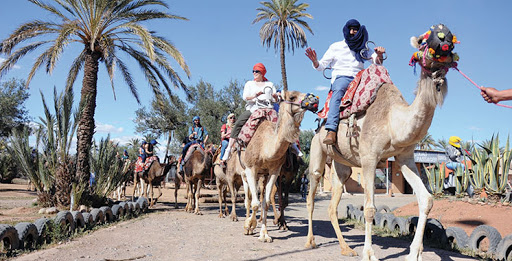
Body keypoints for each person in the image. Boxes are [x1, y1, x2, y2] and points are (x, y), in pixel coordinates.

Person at [305, 19, 386, 145]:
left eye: (355, 30)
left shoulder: (364, 47)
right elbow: (321, 66)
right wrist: (315, 61)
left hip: (360, 77)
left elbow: (377, 61)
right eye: (351, 29)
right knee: (338, 91)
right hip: (342, 77)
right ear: (346, 30)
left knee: (378, 89)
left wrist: (379, 54)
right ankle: (331, 130)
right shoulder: (336, 47)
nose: (353, 32)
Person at [221, 63, 277, 162]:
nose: (254, 73)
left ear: (262, 72)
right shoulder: (249, 84)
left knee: (282, 124)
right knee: (238, 124)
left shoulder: (270, 84)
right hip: (253, 109)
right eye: (253, 71)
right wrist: (255, 95)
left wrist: (276, 97)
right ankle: (228, 149)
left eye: (257, 71)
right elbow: (245, 97)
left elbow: (275, 99)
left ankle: (293, 146)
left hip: (268, 109)